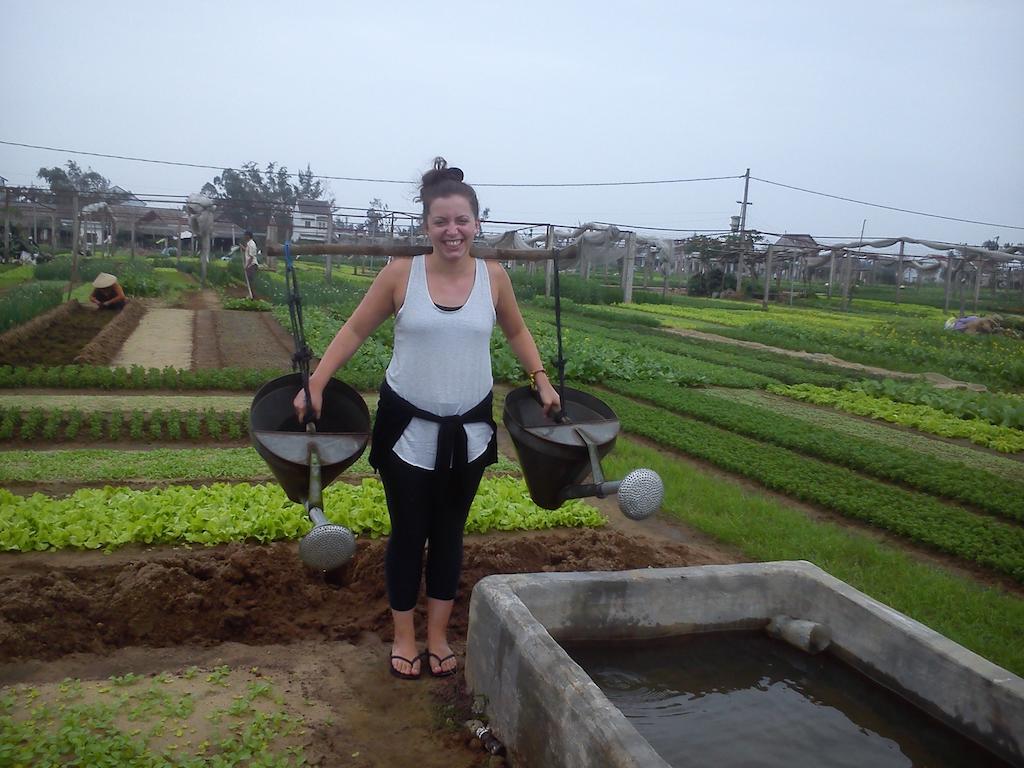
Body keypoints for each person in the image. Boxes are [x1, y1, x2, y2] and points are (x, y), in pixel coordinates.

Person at [293, 157, 560, 681]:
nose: (452, 231)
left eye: (461, 220)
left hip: (470, 430)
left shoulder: (494, 277)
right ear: (426, 225)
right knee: (408, 534)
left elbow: (517, 334)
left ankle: (438, 636)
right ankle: (404, 636)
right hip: (407, 430)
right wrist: (318, 381)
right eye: (441, 221)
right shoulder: (401, 274)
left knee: (450, 535)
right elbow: (352, 331)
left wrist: (541, 379)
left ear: (477, 224)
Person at [242, 230, 259, 299]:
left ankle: (252, 296)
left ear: (248, 236)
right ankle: (250, 295)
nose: (244, 237)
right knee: (249, 281)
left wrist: (246, 266)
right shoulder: (249, 243)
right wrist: (242, 247)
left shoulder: (251, 244)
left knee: (250, 281)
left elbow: (251, 257)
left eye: (245, 235)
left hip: (251, 265)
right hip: (250, 265)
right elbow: (247, 252)